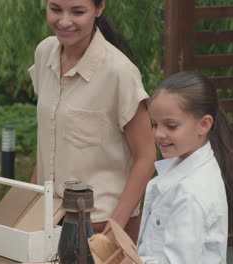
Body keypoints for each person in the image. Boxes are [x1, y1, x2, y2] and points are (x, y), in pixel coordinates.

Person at [28, 0, 157, 242]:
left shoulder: (119, 72)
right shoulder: (44, 52)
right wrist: (28, 204)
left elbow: (147, 157)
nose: (64, 21)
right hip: (48, 219)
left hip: (99, 225)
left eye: (78, 12)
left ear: (99, 9)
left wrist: (115, 227)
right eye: (55, 9)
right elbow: (49, 139)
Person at [137, 71, 233, 263]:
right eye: (155, 124)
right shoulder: (185, 172)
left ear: (204, 125)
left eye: (171, 126)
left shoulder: (189, 193)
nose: (158, 134)